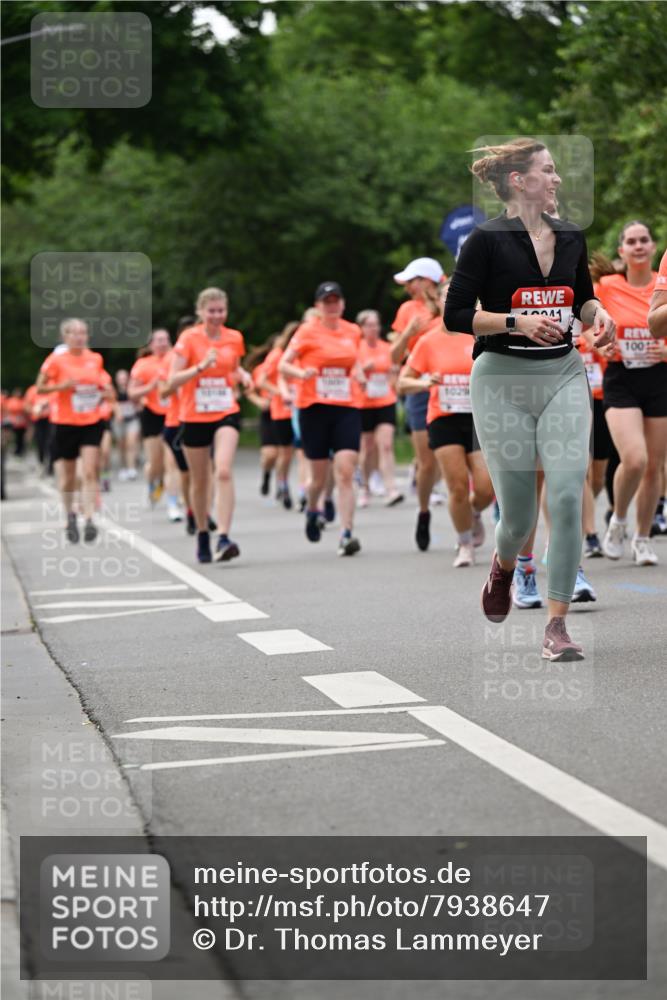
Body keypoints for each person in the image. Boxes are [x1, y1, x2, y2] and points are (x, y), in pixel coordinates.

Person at [445, 138, 615, 661]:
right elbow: (456, 316)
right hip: (501, 381)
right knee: (517, 517)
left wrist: (597, 315)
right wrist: (516, 321)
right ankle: (503, 564)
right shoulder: (485, 241)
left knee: (566, 497)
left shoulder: (569, 237)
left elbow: (579, 294)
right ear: (520, 181)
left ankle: (556, 626)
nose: (558, 179)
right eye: (548, 170)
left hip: (564, 373)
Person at [399, 283, 493, 565]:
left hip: (479, 419)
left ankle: (473, 514)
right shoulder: (428, 341)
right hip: (444, 419)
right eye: (448, 296)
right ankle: (465, 543)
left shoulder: (482, 334)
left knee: (487, 488)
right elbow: (402, 382)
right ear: (439, 303)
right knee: (457, 487)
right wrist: (423, 382)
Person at [593, 223, 666, 565]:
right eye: (631, 241)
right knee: (633, 458)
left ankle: (642, 537)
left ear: (653, 247)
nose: (638, 246)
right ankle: (618, 519)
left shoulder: (662, 286)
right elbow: (584, 326)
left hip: (658, 377)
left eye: (644, 240)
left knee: (654, 466)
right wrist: (598, 347)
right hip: (621, 378)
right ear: (621, 250)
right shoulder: (607, 286)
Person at [167, 287, 251, 563]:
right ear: (200, 312)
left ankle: (224, 536)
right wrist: (200, 367)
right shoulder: (188, 339)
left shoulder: (234, 338)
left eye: (221, 310)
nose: (216, 316)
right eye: (211, 311)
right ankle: (203, 531)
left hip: (225, 410)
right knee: (200, 480)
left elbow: (233, 368)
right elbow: (171, 381)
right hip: (194, 415)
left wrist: (244, 375)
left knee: (223, 470)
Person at [279, 282, 363, 556]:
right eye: (326, 301)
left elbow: (355, 361)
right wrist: (300, 374)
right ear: (318, 306)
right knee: (318, 478)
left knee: (346, 470)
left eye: (336, 300)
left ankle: (346, 532)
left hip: (346, 406)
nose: (332, 305)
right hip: (314, 407)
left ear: (343, 304)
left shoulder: (353, 331)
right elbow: (283, 364)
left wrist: (360, 372)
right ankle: (313, 509)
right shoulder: (306, 331)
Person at [35, 318, 113, 542]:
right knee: (68, 478)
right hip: (65, 423)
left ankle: (89, 519)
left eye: (83, 333)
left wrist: (104, 391)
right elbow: (40, 386)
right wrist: (62, 387)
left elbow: (103, 385)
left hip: (91, 421)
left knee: (89, 471)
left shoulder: (95, 359)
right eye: (75, 333)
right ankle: (70, 515)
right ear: (65, 336)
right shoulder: (56, 360)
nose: (80, 337)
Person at [391, 259, 447, 548]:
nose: (408, 287)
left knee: (450, 455)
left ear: (427, 281)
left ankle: (469, 512)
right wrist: (408, 333)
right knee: (426, 460)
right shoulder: (408, 310)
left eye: (412, 281)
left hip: (450, 386)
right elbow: (394, 356)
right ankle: (423, 511)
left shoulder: (452, 298)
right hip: (419, 386)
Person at [355, 309, 403, 508]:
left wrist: (393, 374)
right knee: (367, 448)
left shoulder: (387, 348)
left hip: (385, 401)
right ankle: (364, 487)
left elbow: (393, 378)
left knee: (386, 445)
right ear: (361, 328)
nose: (373, 328)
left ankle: (390, 489)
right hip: (363, 403)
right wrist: (364, 370)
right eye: (369, 325)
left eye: (376, 324)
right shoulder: (355, 348)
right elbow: (351, 375)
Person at [259, 322, 300, 510]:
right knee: (285, 453)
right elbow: (262, 381)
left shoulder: (306, 353)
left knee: (303, 452)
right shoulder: (277, 355)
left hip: (303, 409)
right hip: (282, 411)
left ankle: (304, 489)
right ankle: (282, 482)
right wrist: (281, 392)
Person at [129, 329, 171, 505]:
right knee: (155, 461)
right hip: (152, 414)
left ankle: (174, 498)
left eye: (165, 340)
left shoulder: (176, 360)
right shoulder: (143, 364)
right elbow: (132, 393)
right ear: (151, 344)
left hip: (173, 413)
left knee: (172, 459)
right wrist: (150, 387)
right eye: (158, 340)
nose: (162, 343)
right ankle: (152, 482)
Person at [113, 369, 140, 481]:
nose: (123, 381)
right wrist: (117, 411)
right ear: (117, 380)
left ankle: (131, 468)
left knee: (131, 444)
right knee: (121, 446)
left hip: (132, 420)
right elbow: (111, 403)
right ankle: (123, 468)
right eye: (120, 379)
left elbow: (140, 402)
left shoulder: (132, 390)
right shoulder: (114, 391)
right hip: (119, 422)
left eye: (124, 378)